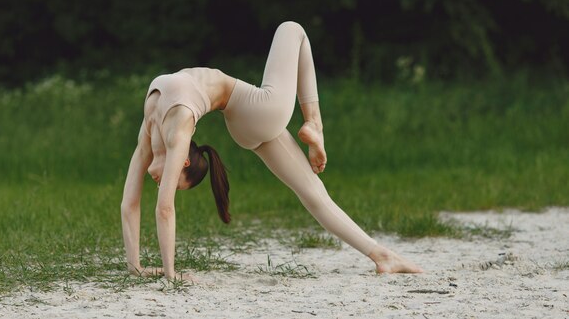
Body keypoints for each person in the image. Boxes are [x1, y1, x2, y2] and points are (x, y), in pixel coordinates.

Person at [120, 21, 423, 280]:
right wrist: (136, 267)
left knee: (292, 29)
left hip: (251, 113)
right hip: (247, 116)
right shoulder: (150, 129)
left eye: (174, 182)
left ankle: (381, 255)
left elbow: (164, 207)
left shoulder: (176, 131)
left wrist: (169, 276)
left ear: (184, 159)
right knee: (292, 29)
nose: (163, 183)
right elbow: (129, 203)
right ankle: (314, 124)